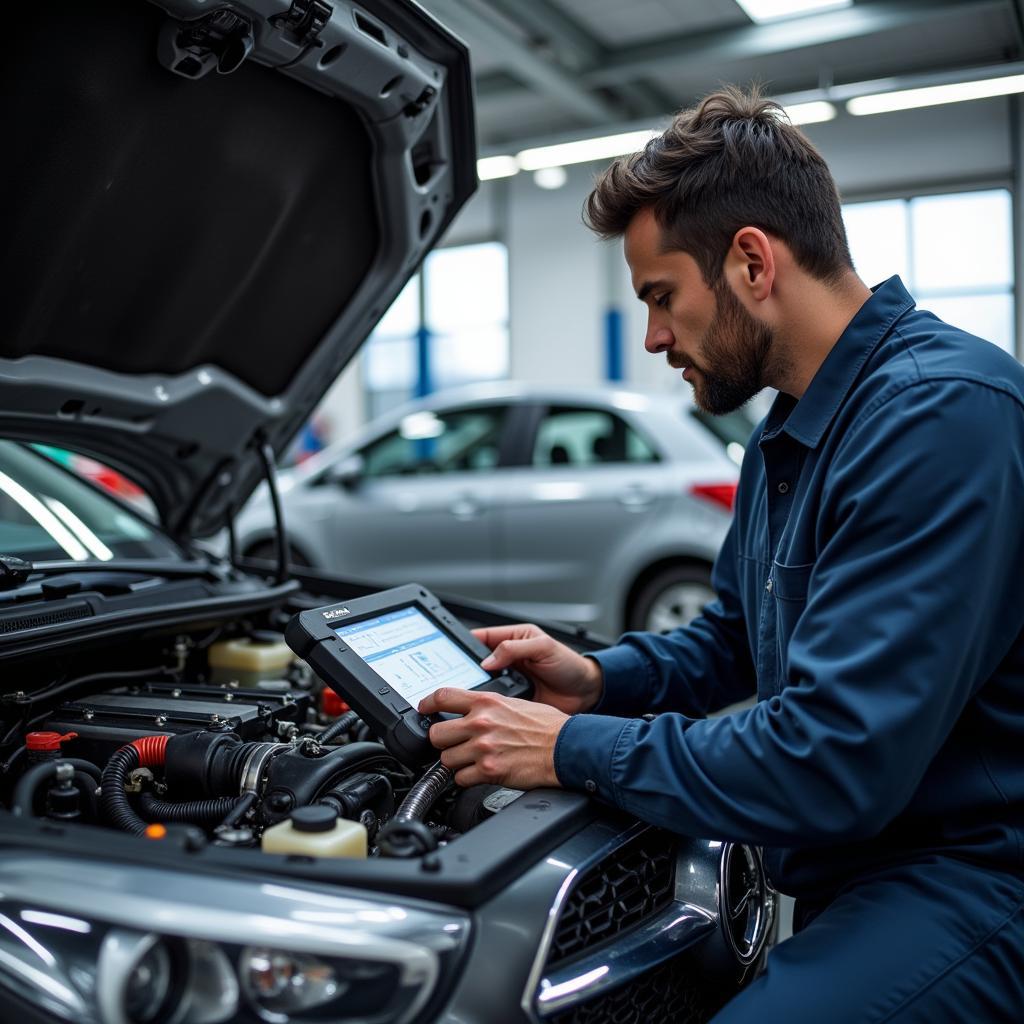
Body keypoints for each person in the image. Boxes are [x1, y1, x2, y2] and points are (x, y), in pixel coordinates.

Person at [419, 87, 1024, 1021]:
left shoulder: (941, 418)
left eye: (662, 298)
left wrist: (572, 748)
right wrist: (595, 680)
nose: (654, 336)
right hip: (860, 862)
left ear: (750, 262)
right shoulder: (794, 428)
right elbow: (740, 638)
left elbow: (832, 758)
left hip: (973, 876)